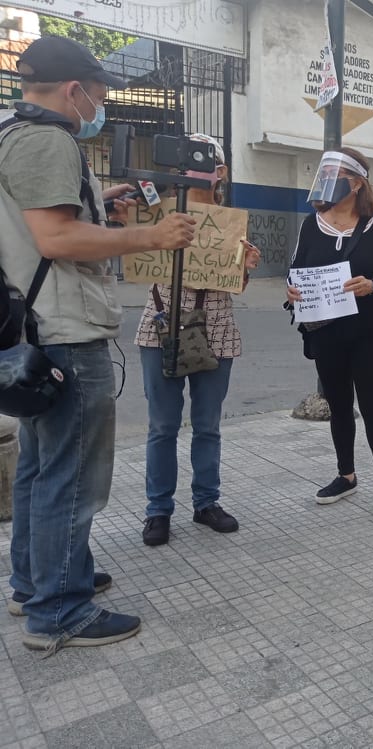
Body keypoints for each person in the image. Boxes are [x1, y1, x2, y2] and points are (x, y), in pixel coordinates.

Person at [1, 36, 196, 651]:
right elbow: (57, 240)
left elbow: (40, 225)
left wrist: (96, 201)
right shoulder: (46, 140)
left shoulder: (10, 131)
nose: (102, 103)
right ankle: (60, 611)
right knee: (73, 478)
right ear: (71, 89)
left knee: (39, 467)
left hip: (36, 329)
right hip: (63, 330)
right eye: (100, 91)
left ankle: (37, 582)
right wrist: (153, 237)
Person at [136, 134, 261, 547]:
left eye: (204, 160)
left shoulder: (231, 221)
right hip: (161, 326)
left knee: (207, 425)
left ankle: (206, 501)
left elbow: (233, 283)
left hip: (216, 328)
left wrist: (246, 266)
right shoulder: (156, 210)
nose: (191, 170)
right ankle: (158, 511)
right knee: (162, 426)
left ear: (220, 171)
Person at [286, 148, 373, 521]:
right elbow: (295, 273)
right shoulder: (311, 225)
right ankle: (346, 475)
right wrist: (290, 290)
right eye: (324, 172)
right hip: (326, 334)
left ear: (356, 183)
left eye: (336, 173)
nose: (326, 179)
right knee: (339, 408)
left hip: (369, 333)